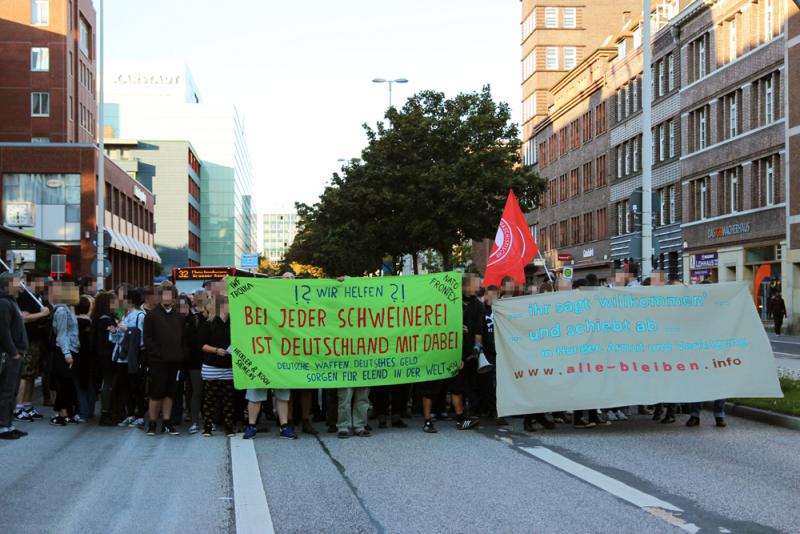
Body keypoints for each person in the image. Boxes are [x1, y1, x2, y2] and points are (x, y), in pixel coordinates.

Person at [420, 273, 482, 433]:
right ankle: (427, 420)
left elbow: (478, 330)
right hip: (439, 349)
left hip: (461, 352)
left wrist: (475, 349)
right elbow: (434, 321)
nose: (478, 287)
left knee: (457, 386)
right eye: (476, 284)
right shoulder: (447, 299)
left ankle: (461, 418)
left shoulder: (478, 306)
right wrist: (453, 328)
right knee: (431, 387)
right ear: (465, 286)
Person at [143, 282, 185, 436]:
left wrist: (181, 354)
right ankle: (153, 423)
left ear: (174, 297)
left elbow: (183, 338)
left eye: (170, 294)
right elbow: (147, 339)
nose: (167, 297)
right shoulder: (151, 315)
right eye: (164, 294)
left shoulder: (179, 316)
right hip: (158, 361)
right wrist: (158, 354)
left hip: (175, 361)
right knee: (156, 393)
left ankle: (167, 422)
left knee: (170, 393)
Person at [199, 294, 236, 437]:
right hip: (211, 366)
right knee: (210, 399)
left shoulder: (234, 323)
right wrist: (216, 350)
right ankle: (207, 427)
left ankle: (229, 427)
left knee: (228, 400)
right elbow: (201, 345)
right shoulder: (209, 323)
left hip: (229, 366)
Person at [109, 288, 147, 427]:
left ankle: (140, 415)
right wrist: (114, 332)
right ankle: (130, 413)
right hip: (121, 356)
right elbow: (118, 339)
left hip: (133, 356)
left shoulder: (139, 316)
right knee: (125, 387)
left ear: (129, 301)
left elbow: (142, 338)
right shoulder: (124, 316)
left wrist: (128, 331)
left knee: (136, 387)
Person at [0, 273, 30, 439]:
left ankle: (8, 424)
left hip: (15, 354)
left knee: (11, 391)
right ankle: (3, 426)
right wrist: (13, 352)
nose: (22, 286)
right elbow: (3, 331)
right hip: (10, 355)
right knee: (6, 390)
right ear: (9, 284)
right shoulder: (4, 303)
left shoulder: (12, 302)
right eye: (19, 282)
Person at [48, 282, 81, 425]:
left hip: (70, 349)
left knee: (67, 383)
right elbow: (61, 334)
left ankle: (66, 411)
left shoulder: (67, 309)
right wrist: (67, 354)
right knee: (64, 383)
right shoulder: (62, 311)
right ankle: (60, 412)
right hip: (64, 351)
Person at [95, 292, 123, 426]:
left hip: (104, 355)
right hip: (108, 356)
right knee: (109, 384)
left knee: (109, 383)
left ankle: (109, 410)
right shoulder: (106, 320)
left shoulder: (100, 318)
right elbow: (111, 337)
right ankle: (106, 412)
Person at [184, 288, 207, 434]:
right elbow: (190, 340)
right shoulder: (192, 318)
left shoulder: (211, 317)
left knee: (209, 393)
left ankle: (208, 420)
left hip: (210, 360)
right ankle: (194, 422)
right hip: (196, 361)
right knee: (197, 392)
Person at [73, 296, 98, 421]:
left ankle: (83, 412)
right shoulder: (92, 323)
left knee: (79, 385)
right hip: (91, 358)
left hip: (77, 357)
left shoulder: (73, 322)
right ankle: (90, 411)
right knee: (90, 385)